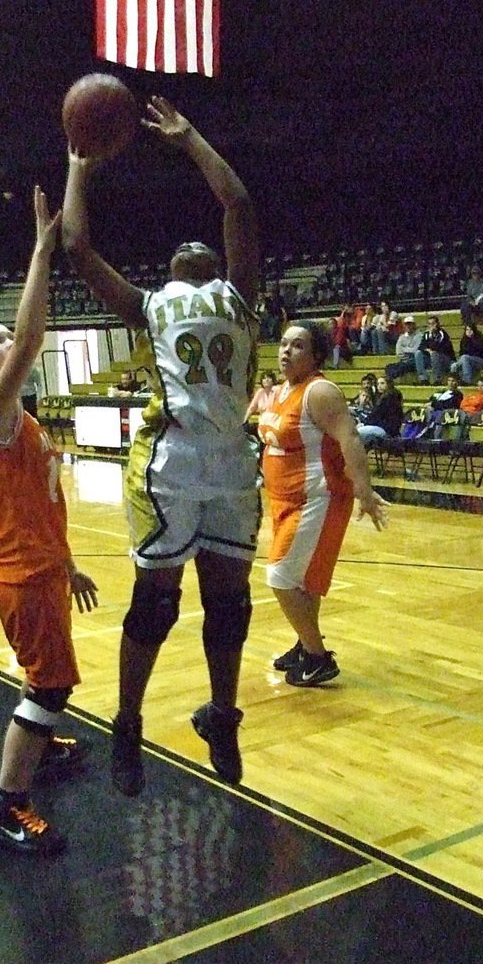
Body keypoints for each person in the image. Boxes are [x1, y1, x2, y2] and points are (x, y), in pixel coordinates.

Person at [63, 95, 260, 794]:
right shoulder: (149, 304)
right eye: (182, 251)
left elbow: (235, 203)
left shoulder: (241, 295)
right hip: (174, 460)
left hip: (233, 458)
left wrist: (190, 138)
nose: (192, 245)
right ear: (174, 271)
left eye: (199, 247)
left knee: (229, 601)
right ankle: (126, 719)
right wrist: (78, 168)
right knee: (157, 600)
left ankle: (225, 715)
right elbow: (78, 248)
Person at [0, 185, 99, 856]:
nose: (9, 344)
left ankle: (44, 745)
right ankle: (7, 805)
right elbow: (34, 335)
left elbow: (44, 502)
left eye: (6, 337)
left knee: (44, 676)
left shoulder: (25, 420)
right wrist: (41, 252)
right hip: (19, 573)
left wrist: (69, 563)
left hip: (39, 567)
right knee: (51, 683)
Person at [259, 320, 388, 686]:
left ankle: (318, 657)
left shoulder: (320, 392)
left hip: (318, 496)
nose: (286, 351)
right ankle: (304, 644)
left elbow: (349, 438)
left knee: (281, 576)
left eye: (297, 346)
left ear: (316, 354)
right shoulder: (283, 389)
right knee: (305, 580)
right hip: (284, 498)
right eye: (283, 343)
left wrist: (364, 489)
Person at [356, 374, 404, 447]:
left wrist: (364, 423)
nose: (379, 386)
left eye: (382, 383)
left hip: (386, 430)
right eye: (378, 384)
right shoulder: (383, 397)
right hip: (385, 428)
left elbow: (376, 416)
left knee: (357, 432)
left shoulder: (389, 398)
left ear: (389, 384)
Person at [415, 315, 455, 385]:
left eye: (433, 323)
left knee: (434, 353)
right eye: (429, 324)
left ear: (437, 324)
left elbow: (438, 347)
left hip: (445, 358)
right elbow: (421, 347)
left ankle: (438, 379)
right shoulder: (427, 334)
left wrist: (431, 338)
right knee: (418, 353)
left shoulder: (442, 333)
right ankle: (423, 379)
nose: (431, 326)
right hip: (432, 358)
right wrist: (428, 350)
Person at [383, 315, 423, 382]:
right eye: (406, 324)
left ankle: (388, 381)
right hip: (404, 361)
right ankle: (388, 380)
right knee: (388, 367)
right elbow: (398, 352)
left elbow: (416, 350)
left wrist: (404, 349)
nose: (408, 326)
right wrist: (408, 350)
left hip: (414, 362)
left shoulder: (419, 336)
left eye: (410, 324)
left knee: (402, 368)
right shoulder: (402, 337)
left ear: (414, 325)